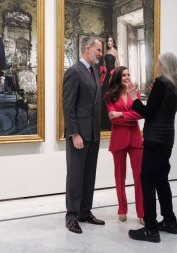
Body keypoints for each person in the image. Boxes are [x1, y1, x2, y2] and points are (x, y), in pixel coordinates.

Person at [128, 52, 177, 242]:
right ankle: (170, 221)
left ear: (164, 65)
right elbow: (164, 113)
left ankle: (150, 228)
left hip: (154, 139)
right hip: (168, 139)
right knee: (161, 179)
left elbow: (149, 113)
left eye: (159, 62)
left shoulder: (161, 83)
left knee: (147, 180)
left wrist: (133, 98)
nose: (157, 65)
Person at [63, 36, 104, 234]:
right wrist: (74, 133)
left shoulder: (94, 72)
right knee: (75, 175)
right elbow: (68, 106)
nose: (100, 53)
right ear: (87, 49)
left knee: (89, 175)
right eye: (98, 49)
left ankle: (85, 212)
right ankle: (71, 215)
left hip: (93, 134)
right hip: (79, 135)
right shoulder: (74, 72)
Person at [106, 66, 144, 224]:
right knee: (120, 176)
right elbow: (112, 118)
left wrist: (121, 114)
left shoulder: (135, 94)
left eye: (129, 74)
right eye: (124, 75)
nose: (127, 77)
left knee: (139, 177)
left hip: (135, 138)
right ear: (118, 78)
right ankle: (122, 209)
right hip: (119, 139)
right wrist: (129, 116)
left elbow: (141, 113)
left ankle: (142, 213)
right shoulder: (110, 96)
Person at [101, 36, 120, 131]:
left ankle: (110, 123)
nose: (109, 42)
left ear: (113, 42)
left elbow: (118, 65)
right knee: (103, 96)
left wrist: (113, 75)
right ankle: (103, 123)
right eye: (108, 41)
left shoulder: (114, 51)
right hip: (106, 75)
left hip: (111, 75)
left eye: (111, 41)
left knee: (109, 97)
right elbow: (104, 65)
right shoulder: (107, 52)